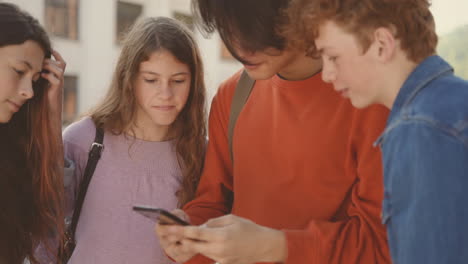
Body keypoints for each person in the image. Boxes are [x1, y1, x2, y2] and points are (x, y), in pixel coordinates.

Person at [155, 1, 391, 263]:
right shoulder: (232, 96)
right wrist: (188, 235)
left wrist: (275, 246)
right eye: (228, 29)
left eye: (252, 27)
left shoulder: (372, 102)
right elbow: (212, 205)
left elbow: (380, 243)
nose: (239, 46)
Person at [284, 0, 468, 263]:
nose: (327, 74)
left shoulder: (418, 130)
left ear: (382, 44)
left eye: (333, 57)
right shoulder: (453, 103)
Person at [56, 17, 207, 264]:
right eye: (151, 80)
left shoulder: (203, 152)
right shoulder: (84, 139)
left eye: (178, 80)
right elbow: (44, 229)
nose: (166, 94)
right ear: (129, 79)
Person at [0, 2, 67, 264]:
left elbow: (54, 215)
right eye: (19, 71)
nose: (29, 90)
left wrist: (51, 111)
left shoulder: (13, 150)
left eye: (36, 78)